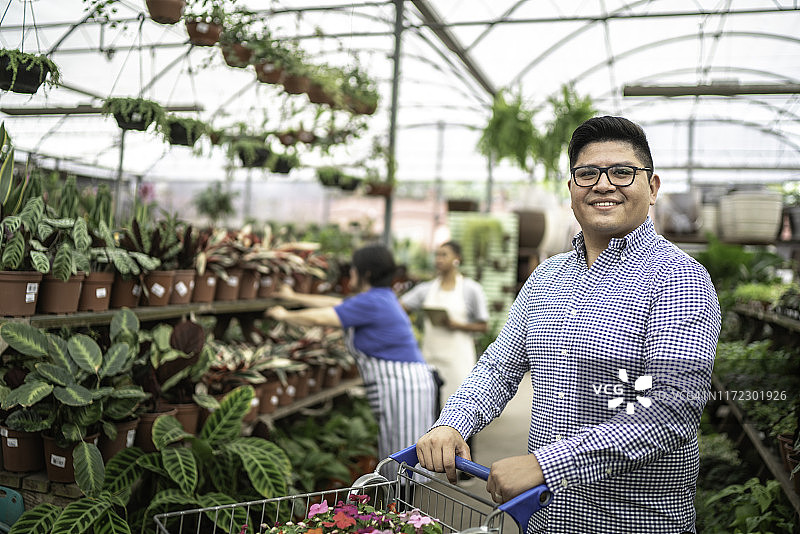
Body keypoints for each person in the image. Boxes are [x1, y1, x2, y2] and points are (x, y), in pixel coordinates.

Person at [416, 116, 721, 534]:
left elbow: (671, 411)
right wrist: (453, 421)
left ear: (652, 189)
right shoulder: (548, 276)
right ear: (572, 189)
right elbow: (497, 369)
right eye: (587, 173)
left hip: (633, 525)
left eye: (622, 172)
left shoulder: (678, 278)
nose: (603, 183)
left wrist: (546, 465)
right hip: (541, 520)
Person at [266, 243, 437, 479]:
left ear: (365, 273)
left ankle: (408, 513)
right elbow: (337, 303)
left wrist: (285, 315)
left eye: (353, 270)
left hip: (403, 386)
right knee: (397, 457)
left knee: (404, 464)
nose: (350, 275)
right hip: (402, 385)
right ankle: (401, 512)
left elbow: (326, 316)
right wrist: (293, 297)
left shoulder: (373, 301)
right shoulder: (378, 298)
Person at [400, 241, 489, 409]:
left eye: (444, 255)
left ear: (457, 258)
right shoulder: (425, 289)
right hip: (430, 359)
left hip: (458, 362)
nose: (438, 259)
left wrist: (457, 325)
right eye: (437, 255)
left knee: (460, 409)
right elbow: (400, 308)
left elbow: (484, 326)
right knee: (430, 410)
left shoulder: (471, 289)